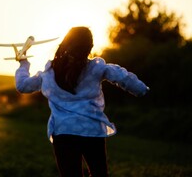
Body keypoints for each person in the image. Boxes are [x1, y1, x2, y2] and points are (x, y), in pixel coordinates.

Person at [15, 26, 149, 177]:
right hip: (92, 131)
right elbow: (123, 77)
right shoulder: (97, 68)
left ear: (65, 44)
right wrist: (142, 90)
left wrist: (23, 64)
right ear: (90, 47)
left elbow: (23, 86)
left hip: (63, 133)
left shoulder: (49, 73)